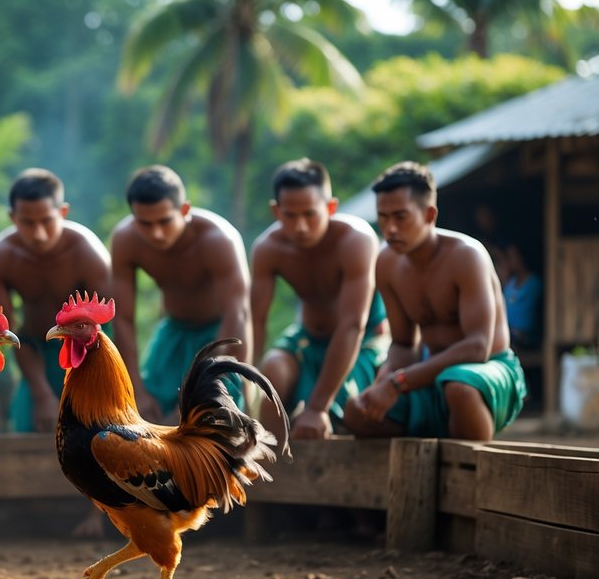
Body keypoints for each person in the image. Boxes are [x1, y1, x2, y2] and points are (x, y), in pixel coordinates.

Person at [345, 162, 526, 440]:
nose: (390, 228)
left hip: (488, 371)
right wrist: (385, 378)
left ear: (429, 214)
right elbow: (404, 344)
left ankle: (471, 471)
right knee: (357, 412)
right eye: (383, 218)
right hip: (428, 375)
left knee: (457, 386)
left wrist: (399, 382)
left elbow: (478, 347)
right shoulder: (386, 262)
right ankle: (420, 465)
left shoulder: (466, 255)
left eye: (400, 217)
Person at [249, 159, 390, 441]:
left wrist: (317, 407)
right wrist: (241, 390)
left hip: (363, 341)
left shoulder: (356, 240)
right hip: (307, 338)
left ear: (331, 207)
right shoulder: (268, 249)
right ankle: (274, 474)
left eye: (310, 215)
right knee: (272, 374)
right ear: (276, 211)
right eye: (290, 216)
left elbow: (353, 324)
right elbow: (255, 323)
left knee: (339, 412)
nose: (301, 226)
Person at [109, 165, 250, 424]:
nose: (156, 233)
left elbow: (237, 314)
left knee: (213, 421)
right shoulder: (125, 240)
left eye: (165, 221)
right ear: (133, 216)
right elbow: (123, 319)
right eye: (145, 224)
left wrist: (200, 395)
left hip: (221, 337)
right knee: (147, 420)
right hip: (172, 335)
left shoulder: (219, 239)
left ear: (184, 210)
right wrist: (135, 390)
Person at [0, 168, 111, 433]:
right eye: (28, 223)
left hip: (87, 360)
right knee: (29, 437)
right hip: (34, 357)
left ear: (63, 212)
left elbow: (106, 327)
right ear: (12, 218)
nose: (38, 233)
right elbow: (10, 332)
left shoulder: (88, 253)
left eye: (46, 221)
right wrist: (41, 393)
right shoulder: (0, 257)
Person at [502, 244, 542, 350]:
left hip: (524, 337)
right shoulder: (511, 283)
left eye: (512, 256)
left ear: (521, 257)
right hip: (509, 332)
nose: (509, 260)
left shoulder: (534, 283)